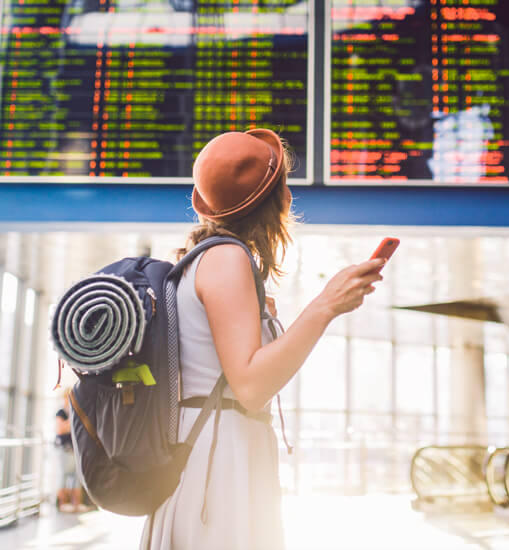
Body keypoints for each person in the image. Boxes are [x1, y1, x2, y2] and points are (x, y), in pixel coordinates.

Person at [141, 129, 384, 549]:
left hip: (210, 457)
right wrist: (325, 305)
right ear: (282, 200)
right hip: (218, 468)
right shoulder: (226, 258)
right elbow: (250, 386)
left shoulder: (207, 260)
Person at [55, 391, 84, 512]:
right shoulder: (61, 413)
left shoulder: (75, 411)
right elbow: (60, 429)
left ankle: (76, 504)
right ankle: (62, 504)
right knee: (64, 476)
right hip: (65, 449)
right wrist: (72, 422)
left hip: (75, 449)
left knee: (77, 477)